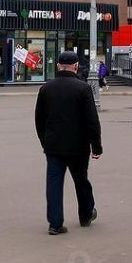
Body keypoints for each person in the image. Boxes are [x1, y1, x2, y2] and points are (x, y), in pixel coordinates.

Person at [35, 51, 103, 234]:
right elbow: (92, 121)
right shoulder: (82, 88)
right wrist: (96, 146)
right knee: (81, 180)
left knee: (54, 183)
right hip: (78, 147)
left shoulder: (46, 88)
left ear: (58, 66)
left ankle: (55, 224)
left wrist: (44, 141)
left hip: (53, 146)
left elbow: (39, 120)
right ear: (75, 66)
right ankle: (86, 214)